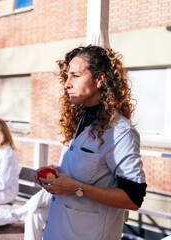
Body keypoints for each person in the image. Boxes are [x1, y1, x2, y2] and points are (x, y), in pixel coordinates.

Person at [38, 45, 147, 240]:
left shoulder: (121, 132)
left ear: (99, 79)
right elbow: (84, 172)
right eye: (67, 76)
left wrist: (77, 187)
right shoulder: (80, 120)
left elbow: (133, 198)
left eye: (75, 76)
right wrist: (57, 174)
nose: (67, 84)